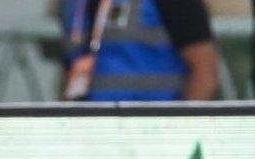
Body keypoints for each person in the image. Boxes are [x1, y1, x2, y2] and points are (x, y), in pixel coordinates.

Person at [59, 0, 218, 101]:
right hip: (94, 135)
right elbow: (72, 67)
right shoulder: (74, 5)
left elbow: (205, 71)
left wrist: (181, 134)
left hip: (155, 134)